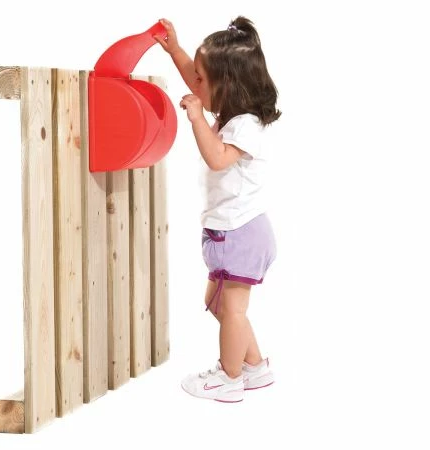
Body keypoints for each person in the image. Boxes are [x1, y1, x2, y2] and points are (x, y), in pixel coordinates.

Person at [155, 16, 281, 403]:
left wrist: (196, 118)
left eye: (201, 80)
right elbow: (197, 79)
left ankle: (229, 378)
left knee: (233, 309)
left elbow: (217, 158)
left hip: (240, 232)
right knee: (218, 305)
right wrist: (175, 50)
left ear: (227, 86)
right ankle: (254, 366)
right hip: (231, 231)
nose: (194, 85)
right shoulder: (230, 114)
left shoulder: (245, 126)